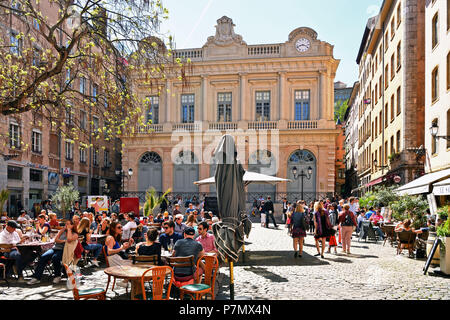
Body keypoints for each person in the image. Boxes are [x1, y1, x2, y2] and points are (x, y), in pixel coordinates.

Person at [27, 219, 78, 285]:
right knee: (43, 257)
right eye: (66, 224)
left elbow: (69, 239)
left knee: (55, 258)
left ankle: (57, 276)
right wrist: (63, 240)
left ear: (72, 225)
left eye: (68, 224)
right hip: (55, 248)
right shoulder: (61, 231)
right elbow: (56, 240)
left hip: (64, 250)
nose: (66, 225)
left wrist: (69, 230)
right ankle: (36, 277)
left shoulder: (75, 234)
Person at [104, 221, 133, 287]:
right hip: (113, 260)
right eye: (119, 227)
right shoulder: (110, 238)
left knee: (134, 262)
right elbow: (109, 251)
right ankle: (126, 281)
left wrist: (129, 244)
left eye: (121, 227)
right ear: (113, 229)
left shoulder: (116, 237)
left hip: (117, 258)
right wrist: (121, 248)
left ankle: (130, 282)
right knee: (133, 264)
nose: (121, 229)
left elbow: (120, 250)